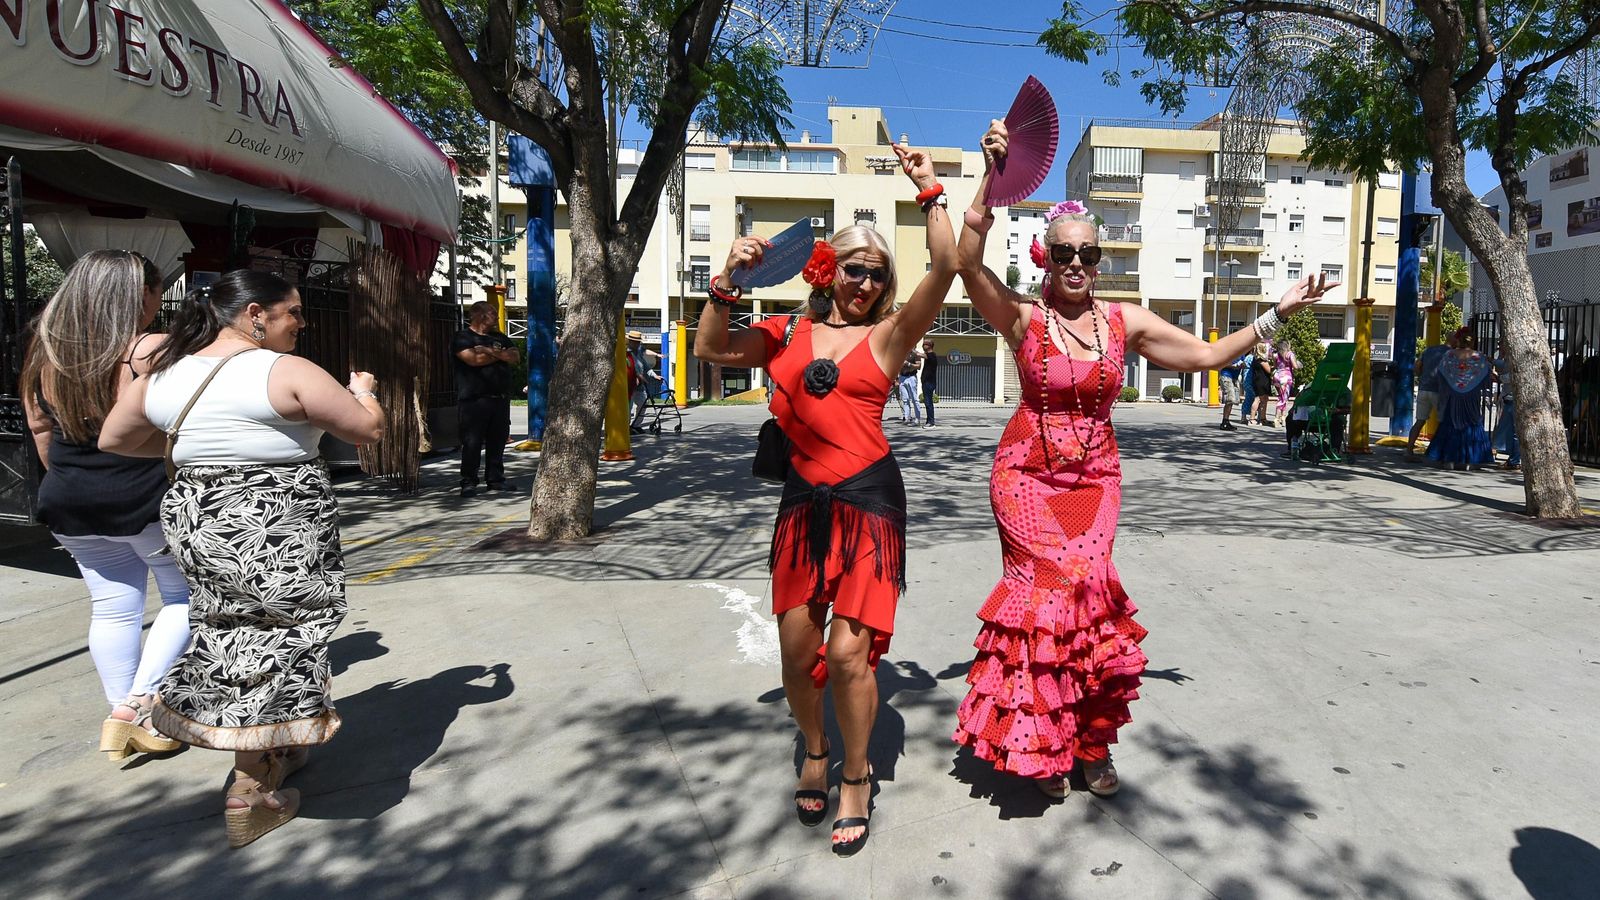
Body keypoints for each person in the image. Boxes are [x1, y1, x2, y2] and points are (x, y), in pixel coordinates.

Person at [952, 119, 1339, 800]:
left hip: (1095, 482)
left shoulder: (1123, 323)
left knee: (1091, 606)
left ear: (1102, 259)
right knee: (1050, 598)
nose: (1078, 264)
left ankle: (1091, 741)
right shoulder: (1022, 317)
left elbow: (1207, 355)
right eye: (1065, 253)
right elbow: (964, 262)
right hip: (1024, 478)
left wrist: (1276, 314)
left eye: (1090, 254)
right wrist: (990, 175)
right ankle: (1044, 744)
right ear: (1045, 255)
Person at [693, 143, 955, 857]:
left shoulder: (890, 335)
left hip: (870, 503)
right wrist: (729, 278)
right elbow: (711, 349)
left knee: (848, 657)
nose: (865, 282)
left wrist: (930, 191)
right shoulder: (786, 333)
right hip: (803, 505)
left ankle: (857, 774)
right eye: (854, 268)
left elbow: (947, 267)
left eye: (876, 273)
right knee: (795, 654)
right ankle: (814, 747)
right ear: (827, 268)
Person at [99, 269, 385, 848]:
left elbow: (116, 439)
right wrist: (365, 390)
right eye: (294, 313)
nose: (301, 324)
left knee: (228, 630)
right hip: (275, 520)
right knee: (284, 635)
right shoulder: (285, 371)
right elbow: (367, 431)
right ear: (256, 314)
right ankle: (251, 786)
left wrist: (206, 442)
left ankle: (275, 747)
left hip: (197, 515)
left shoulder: (167, 371)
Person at [20, 250, 191, 762]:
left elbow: (38, 427)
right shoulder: (151, 350)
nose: (159, 306)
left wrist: (72, 480)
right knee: (187, 597)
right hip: (141, 495)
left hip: (69, 496)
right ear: (138, 296)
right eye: (158, 294)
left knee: (113, 606)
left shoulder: (45, 351)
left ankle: (121, 710)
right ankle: (141, 705)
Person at [453, 301, 518, 496]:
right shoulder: (463, 338)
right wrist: (501, 355)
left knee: (497, 441)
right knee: (472, 442)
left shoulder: (499, 337)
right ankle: (469, 481)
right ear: (480, 315)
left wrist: (489, 351)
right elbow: (473, 360)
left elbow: (514, 357)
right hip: (474, 399)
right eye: (493, 313)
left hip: (499, 399)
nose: (497, 317)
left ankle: (496, 479)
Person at [1425, 327, 1494, 469]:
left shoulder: (1450, 355)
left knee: (1451, 424)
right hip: (1472, 396)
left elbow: (1441, 373)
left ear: (1459, 339)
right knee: (1472, 423)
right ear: (1473, 341)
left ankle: (1449, 460)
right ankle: (1470, 460)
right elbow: (1486, 376)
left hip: (1452, 396)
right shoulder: (1479, 356)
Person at [1406, 332, 1456, 458]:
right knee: (1443, 422)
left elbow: (1417, 366)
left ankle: (1409, 451)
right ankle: (1439, 452)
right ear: (1454, 341)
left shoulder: (1429, 350)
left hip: (1424, 389)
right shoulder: (1452, 354)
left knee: (1419, 421)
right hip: (1440, 391)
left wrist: (1421, 377)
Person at [627, 330, 665, 433]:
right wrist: (635, 376)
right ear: (630, 341)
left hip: (640, 386)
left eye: (638, 342)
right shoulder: (626, 353)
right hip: (629, 385)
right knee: (628, 407)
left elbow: (646, 367)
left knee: (643, 403)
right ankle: (626, 428)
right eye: (634, 341)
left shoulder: (639, 353)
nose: (637, 344)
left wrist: (655, 375)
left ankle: (635, 425)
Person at [1492, 339, 1521, 471]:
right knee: (1508, 430)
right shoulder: (1507, 358)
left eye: (1501, 344)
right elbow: (1501, 365)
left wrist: (1497, 377)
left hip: (1514, 399)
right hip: (1508, 398)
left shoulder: (1516, 358)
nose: (1499, 347)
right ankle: (1512, 458)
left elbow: (1513, 377)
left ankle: (1514, 460)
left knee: (1514, 431)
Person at [1271, 338, 1298, 427]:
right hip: (1286, 378)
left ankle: (1283, 417)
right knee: (1282, 399)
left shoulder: (1275, 355)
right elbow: (1295, 366)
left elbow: (1275, 366)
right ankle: (1277, 418)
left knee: (1283, 397)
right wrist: (1299, 365)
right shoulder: (1289, 354)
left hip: (1277, 376)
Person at [1250, 341, 1275, 425]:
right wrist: (1275, 365)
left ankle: (1263, 418)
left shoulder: (1255, 359)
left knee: (1264, 400)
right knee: (1258, 399)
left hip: (1260, 381)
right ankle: (1252, 418)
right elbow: (1269, 370)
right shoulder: (1261, 360)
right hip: (1261, 382)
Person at [1218, 350, 1243, 429]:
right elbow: (1222, 364)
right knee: (1230, 398)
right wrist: (1234, 366)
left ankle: (1226, 420)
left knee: (1232, 401)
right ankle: (1224, 422)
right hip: (1227, 375)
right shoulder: (1230, 351)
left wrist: (1242, 365)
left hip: (1234, 378)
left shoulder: (1242, 353)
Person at [896, 350, 923, 424]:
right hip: (902, 377)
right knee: (905, 399)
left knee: (914, 399)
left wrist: (908, 364)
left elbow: (919, 366)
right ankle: (907, 418)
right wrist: (897, 378)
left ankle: (917, 419)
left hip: (911, 377)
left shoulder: (915, 354)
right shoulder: (901, 353)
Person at [920, 338, 939, 426]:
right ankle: (929, 421)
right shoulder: (929, 355)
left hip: (929, 382)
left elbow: (920, 355)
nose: (923, 346)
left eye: (924, 344)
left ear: (929, 346)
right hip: (926, 382)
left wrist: (910, 350)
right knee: (927, 402)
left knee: (928, 402)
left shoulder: (932, 355)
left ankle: (931, 422)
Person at [1238, 343, 1257, 425]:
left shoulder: (1247, 358)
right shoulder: (1251, 358)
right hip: (1250, 379)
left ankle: (1244, 416)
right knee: (1252, 398)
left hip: (1246, 380)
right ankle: (1250, 416)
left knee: (1248, 398)